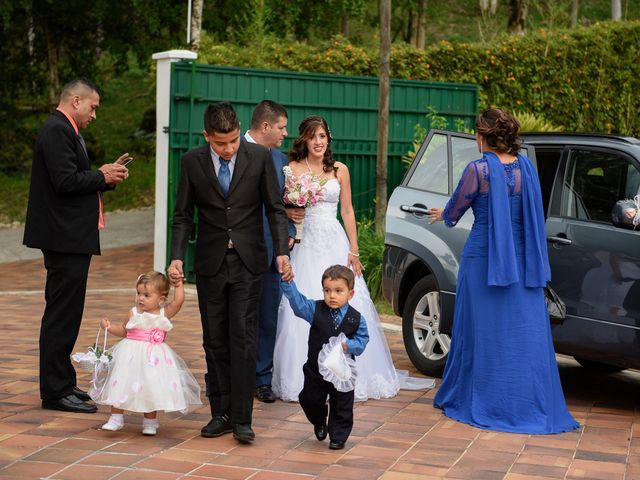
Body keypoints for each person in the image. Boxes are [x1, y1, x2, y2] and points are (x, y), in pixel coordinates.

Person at [428, 108, 579, 434]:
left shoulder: (478, 170)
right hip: (523, 265)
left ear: (484, 135)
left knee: (479, 333)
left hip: (483, 262)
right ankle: (527, 404)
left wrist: (444, 213)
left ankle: (477, 399)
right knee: (524, 336)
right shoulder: (527, 167)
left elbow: (456, 209)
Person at [272, 116, 432, 402]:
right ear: (304, 140)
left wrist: (354, 250)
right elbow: (278, 205)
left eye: (322, 136)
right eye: (313, 137)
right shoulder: (291, 168)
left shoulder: (340, 170)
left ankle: (351, 373)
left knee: (347, 301)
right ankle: (302, 375)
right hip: (304, 243)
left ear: (328, 139)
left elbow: (347, 211)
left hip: (333, 240)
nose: (319, 142)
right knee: (303, 301)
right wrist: (287, 212)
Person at [168, 102, 292, 444]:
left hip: (249, 262)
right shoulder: (191, 162)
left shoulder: (260, 157)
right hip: (210, 264)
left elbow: (275, 209)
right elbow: (182, 215)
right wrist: (177, 256)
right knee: (215, 339)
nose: (229, 149)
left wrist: (282, 251)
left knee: (243, 336)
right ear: (207, 136)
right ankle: (219, 414)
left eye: (234, 140)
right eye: (221, 143)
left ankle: (242, 419)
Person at [23, 77, 130, 414]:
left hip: (69, 236)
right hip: (62, 237)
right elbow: (65, 181)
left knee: (67, 313)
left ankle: (64, 383)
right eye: (93, 107)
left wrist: (106, 176)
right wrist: (101, 175)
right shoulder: (57, 130)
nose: (94, 114)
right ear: (76, 101)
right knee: (61, 314)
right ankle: (55, 392)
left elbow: (75, 180)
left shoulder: (67, 130)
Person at [91, 271, 201, 435]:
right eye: (139, 293)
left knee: (151, 386)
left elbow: (178, 302)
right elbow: (124, 330)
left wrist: (178, 286)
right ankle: (115, 418)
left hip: (154, 359)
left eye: (146, 295)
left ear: (161, 299)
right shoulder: (133, 313)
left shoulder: (163, 313)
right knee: (121, 382)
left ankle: (150, 422)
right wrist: (109, 327)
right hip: (130, 356)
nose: (140, 298)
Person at [244, 100, 300, 403]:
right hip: (237, 252)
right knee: (239, 317)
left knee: (268, 317)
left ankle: (263, 378)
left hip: (272, 253)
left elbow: (284, 207)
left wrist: (289, 236)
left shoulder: (281, 161)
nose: (285, 133)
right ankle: (235, 376)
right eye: (281, 127)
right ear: (265, 126)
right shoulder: (233, 151)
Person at [280, 265, 369, 450]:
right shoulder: (315, 309)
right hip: (315, 370)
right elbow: (299, 304)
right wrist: (288, 283)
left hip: (341, 372)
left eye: (338, 291)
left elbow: (362, 340)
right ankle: (319, 420)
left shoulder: (356, 319)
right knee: (309, 399)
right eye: (327, 291)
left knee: (342, 405)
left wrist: (349, 345)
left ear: (350, 294)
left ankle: (338, 436)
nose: (332, 296)